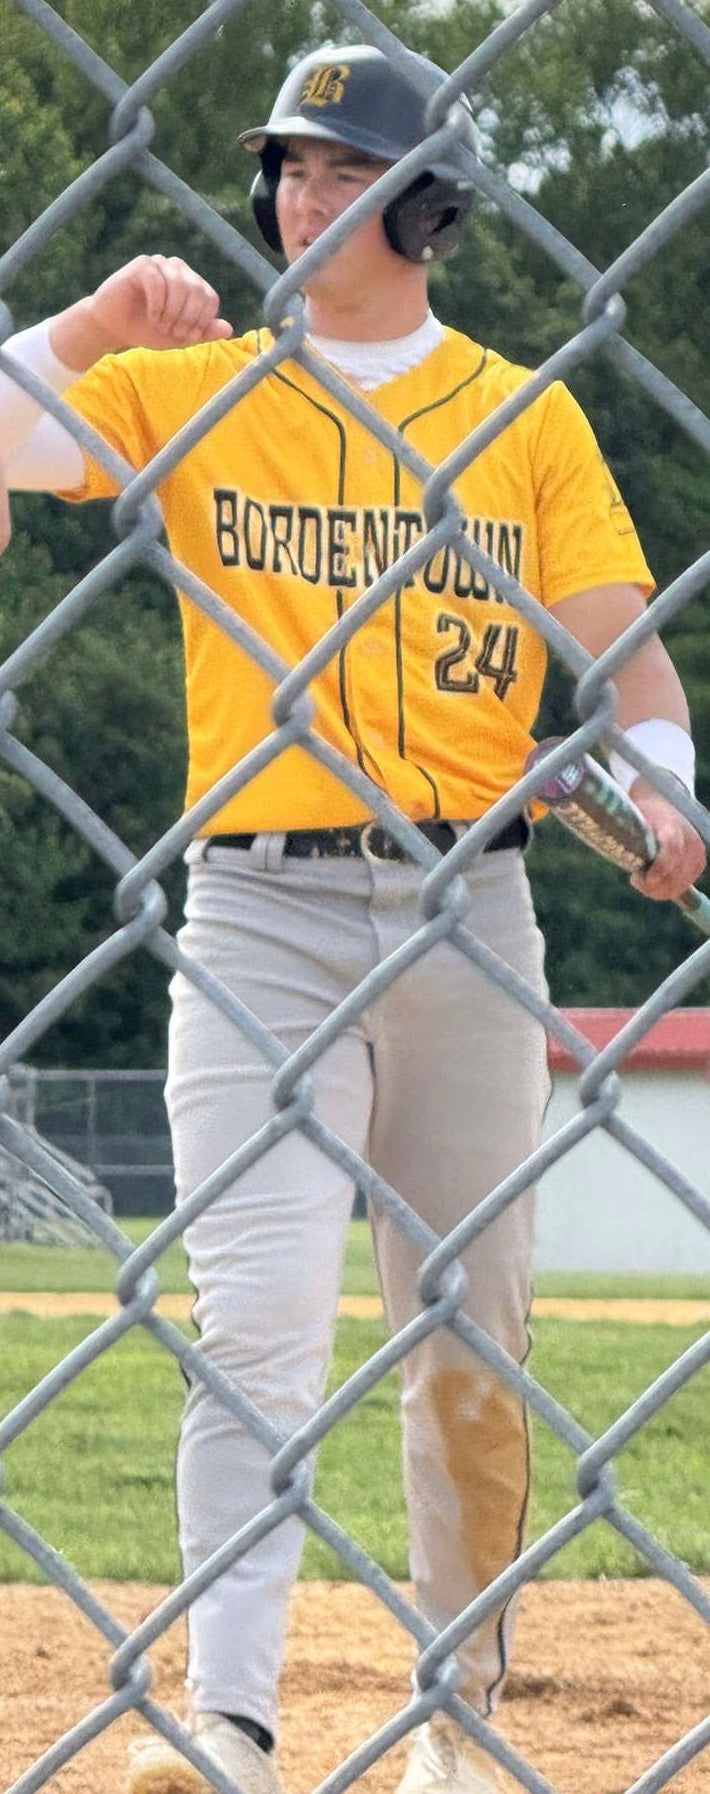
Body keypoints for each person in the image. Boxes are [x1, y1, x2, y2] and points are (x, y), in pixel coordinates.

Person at [2, 40, 705, 1794]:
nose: (301, 198)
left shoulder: (523, 417)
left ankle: (457, 1719)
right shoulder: (200, 387)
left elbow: (626, 661)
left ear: (423, 206)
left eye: (340, 171)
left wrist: (665, 787)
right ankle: (225, 1722)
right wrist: (90, 322)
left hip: (473, 912)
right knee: (250, 1319)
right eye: (288, 170)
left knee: (469, 1335)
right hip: (254, 911)